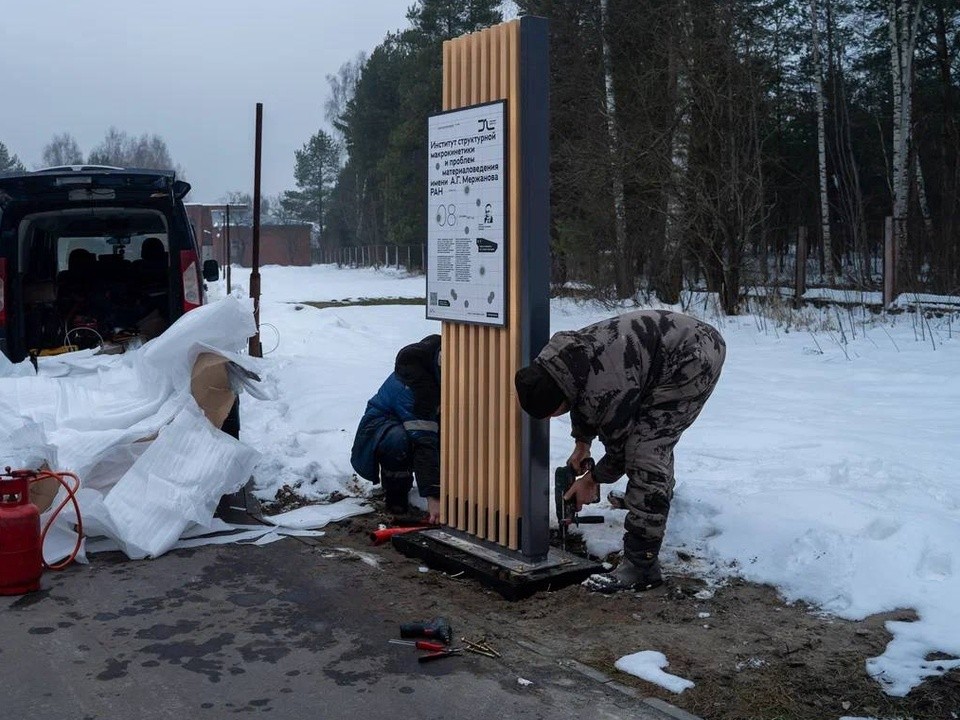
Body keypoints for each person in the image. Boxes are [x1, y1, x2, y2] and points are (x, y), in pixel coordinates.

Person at [514, 310, 725, 593]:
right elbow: (581, 394)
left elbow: (622, 454)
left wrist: (593, 479)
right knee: (647, 439)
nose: (553, 419)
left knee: (646, 450)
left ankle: (641, 565)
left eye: (553, 414)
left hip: (693, 357)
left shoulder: (609, 386)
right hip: (663, 349)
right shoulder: (558, 362)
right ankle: (649, 501)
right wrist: (582, 443)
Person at [351, 335, 442, 523]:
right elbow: (424, 440)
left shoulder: (432, 369)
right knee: (400, 440)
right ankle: (396, 498)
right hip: (379, 430)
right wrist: (434, 497)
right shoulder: (414, 389)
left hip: (412, 425)